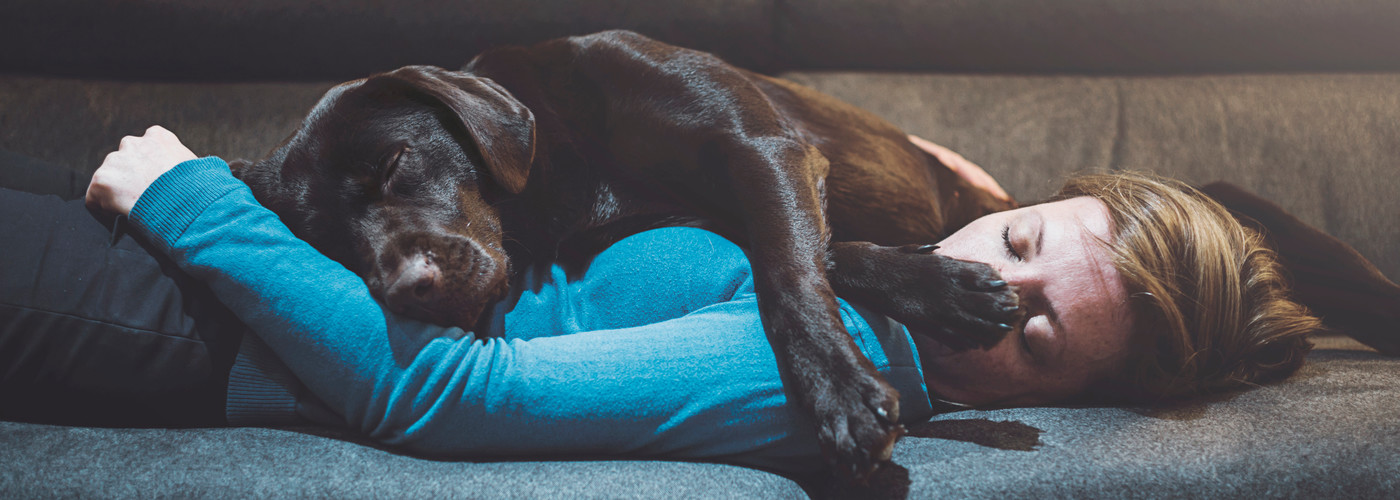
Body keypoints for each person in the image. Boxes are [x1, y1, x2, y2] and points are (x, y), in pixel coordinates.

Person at [0, 126, 1319, 474]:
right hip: (280, 245)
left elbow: (449, 390)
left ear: (1076, 406)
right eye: (1019, 235)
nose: (984, 287)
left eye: (1033, 335)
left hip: (208, 325)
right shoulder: (859, 259)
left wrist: (193, 205)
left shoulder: (820, 369)